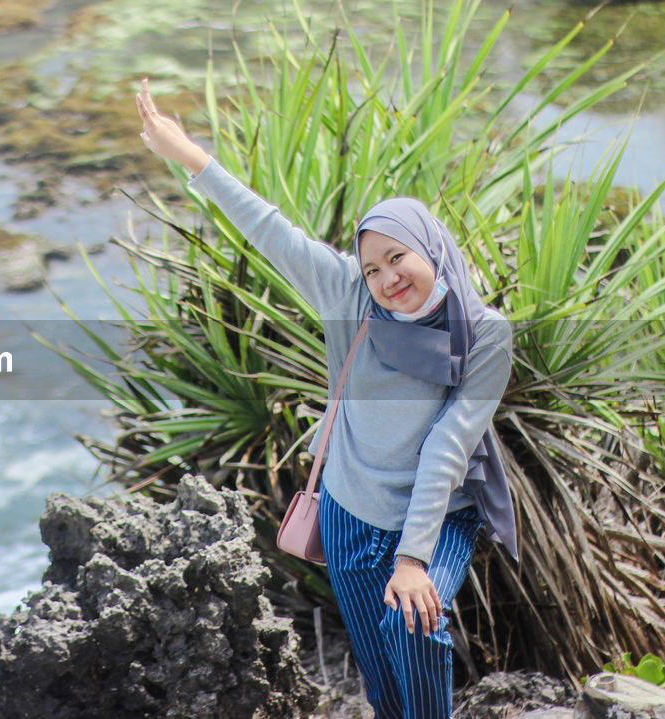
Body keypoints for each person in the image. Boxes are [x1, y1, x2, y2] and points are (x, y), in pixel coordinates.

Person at [133, 77, 519, 719]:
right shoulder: (350, 298)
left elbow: (449, 447)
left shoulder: (484, 335)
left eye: (399, 258)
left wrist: (413, 557)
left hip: (436, 513)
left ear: (431, 249)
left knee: (416, 628)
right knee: (379, 676)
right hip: (347, 510)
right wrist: (188, 156)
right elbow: (271, 231)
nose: (388, 279)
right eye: (373, 268)